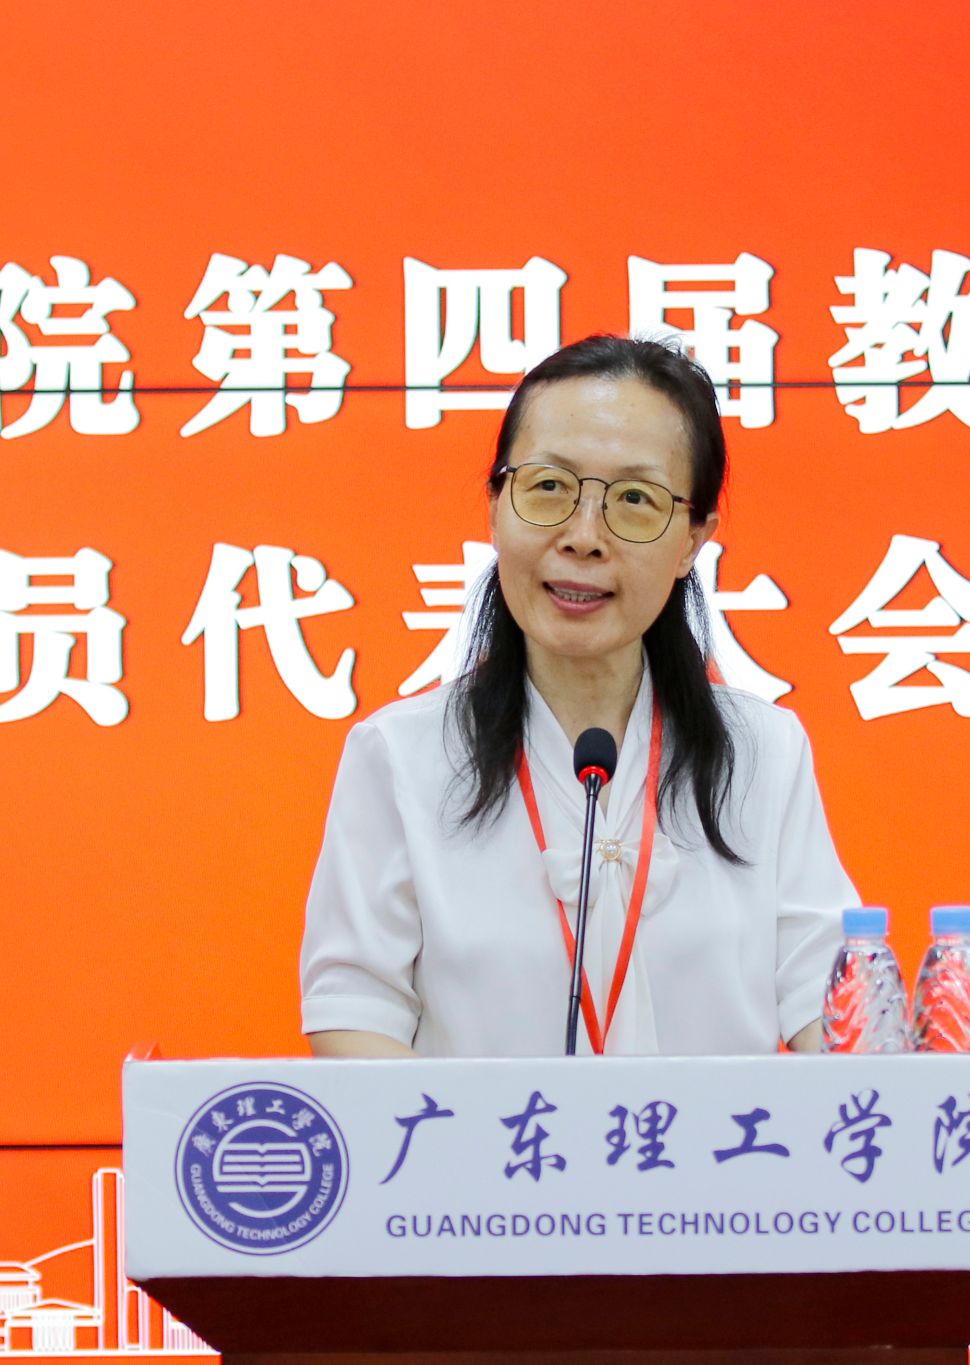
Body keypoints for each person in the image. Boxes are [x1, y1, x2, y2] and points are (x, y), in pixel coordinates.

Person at [300, 334, 857, 1057]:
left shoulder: (764, 753)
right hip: (491, 1137)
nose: (583, 537)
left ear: (693, 540)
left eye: (635, 499)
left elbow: (828, 1004)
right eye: (548, 487)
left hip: (719, 1137)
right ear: (496, 506)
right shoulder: (400, 756)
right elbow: (355, 1008)